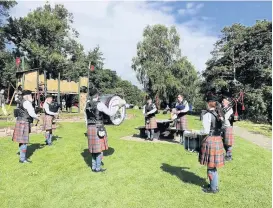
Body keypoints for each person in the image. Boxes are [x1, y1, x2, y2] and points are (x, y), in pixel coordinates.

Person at [84, 88, 126, 173]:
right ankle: (98, 168)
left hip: (89, 127)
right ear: (97, 95)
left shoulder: (87, 104)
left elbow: (86, 118)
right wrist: (118, 106)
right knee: (99, 150)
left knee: (93, 149)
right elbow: (111, 113)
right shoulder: (99, 105)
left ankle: (93, 167)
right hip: (98, 128)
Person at [198, 95, 225, 194]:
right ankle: (214, 184)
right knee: (214, 166)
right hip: (218, 139)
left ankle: (213, 188)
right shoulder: (219, 114)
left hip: (210, 140)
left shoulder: (207, 114)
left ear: (208, 103)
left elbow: (205, 130)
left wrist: (197, 132)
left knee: (210, 166)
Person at [12, 90, 40, 163]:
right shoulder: (27, 102)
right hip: (24, 122)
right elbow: (31, 113)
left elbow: (16, 98)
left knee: (22, 141)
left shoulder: (21, 101)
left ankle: (22, 156)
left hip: (20, 121)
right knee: (24, 141)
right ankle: (22, 159)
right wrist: (38, 117)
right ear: (27, 96)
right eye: (31, 95)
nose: (32, 97)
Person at [222, 96, 234, 162]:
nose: (222, 102)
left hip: (228, 127)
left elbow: (225, 118)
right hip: (223, 126)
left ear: (227, 102)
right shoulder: (224, 108)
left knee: (228, 143)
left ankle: (229, 156)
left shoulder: (230, 109)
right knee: (223, 142)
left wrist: (220, 117)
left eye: (223, 101)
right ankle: (227, 154)